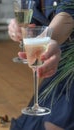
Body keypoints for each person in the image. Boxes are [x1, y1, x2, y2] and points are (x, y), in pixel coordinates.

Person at [8, 0, 74, 130]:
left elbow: (68, 15)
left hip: (68, 59)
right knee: (32, 123)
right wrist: (16, 26)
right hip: (61, 57)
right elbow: (34, 22)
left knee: (55, 121)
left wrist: (45, 40)